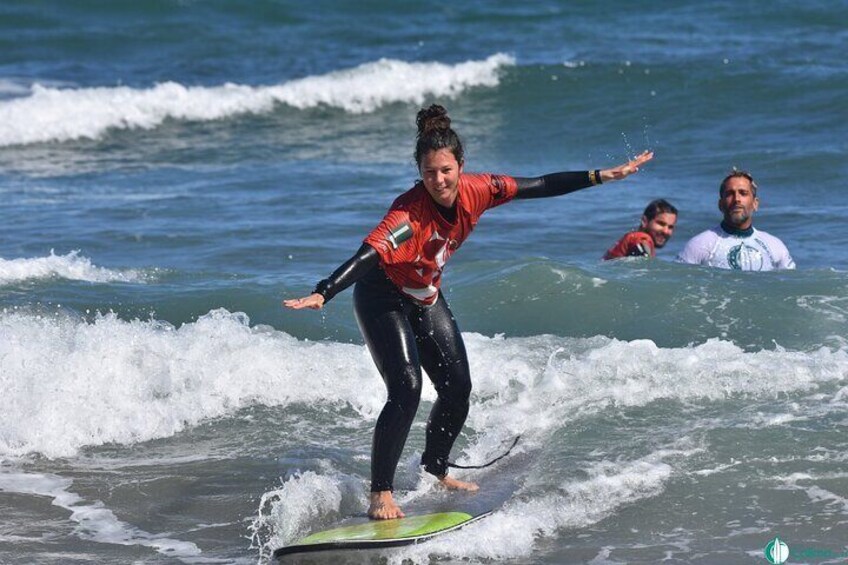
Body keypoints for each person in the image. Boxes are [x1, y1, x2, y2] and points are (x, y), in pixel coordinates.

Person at [284, 104, 653, 520]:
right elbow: (370, 254)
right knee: (405, 387)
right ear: (419, 173)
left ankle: (435, 469)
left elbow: (540, 185)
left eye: (445, 170)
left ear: (461, 165)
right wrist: (325, 291)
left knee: (457, 387)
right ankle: (380, 493)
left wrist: (602, 175)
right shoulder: (408, 214)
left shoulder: (482, 189)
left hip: (424, 292)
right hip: (382, 295)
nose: (438, 180)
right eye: (429, 173)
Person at [677, 170, 795, 270]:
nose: (737, 199)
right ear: (720, 205)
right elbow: (677, 285)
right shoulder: (699, 245)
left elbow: (790, 287)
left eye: (743, 193)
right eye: (729, 194)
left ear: (755, 203)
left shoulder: (775, 246)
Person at [603, 198, 678, 260]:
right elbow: (642, 266)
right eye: (661, 224)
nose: (666, 231)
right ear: (644, 221)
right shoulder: (641, 238)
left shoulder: (631, 238)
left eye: (670, 227)